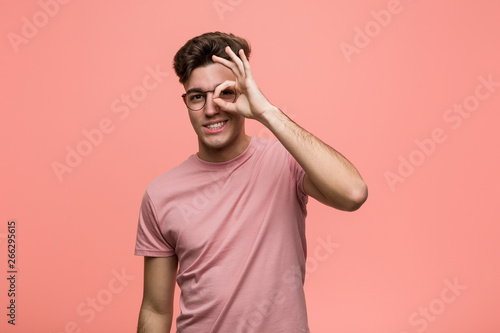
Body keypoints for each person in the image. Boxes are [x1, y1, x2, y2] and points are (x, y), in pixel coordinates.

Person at [134, 31, 368, 333]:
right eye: (197, 97)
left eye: (224, 93)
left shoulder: (285, 161)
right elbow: (154, 309)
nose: (210, 109)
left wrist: (266, 112)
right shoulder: (160, 194)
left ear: (242, 92)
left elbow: (353, 193)